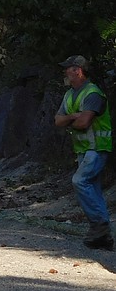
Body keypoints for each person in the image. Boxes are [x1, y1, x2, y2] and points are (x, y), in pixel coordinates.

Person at [54, 55, 113, 249]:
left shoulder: (93, 93)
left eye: (68, 69)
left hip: (97, 148)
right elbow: (58, 121)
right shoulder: (70, 94)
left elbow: (83, 122)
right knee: (92, 188)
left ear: (78, 70)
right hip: (84, 149)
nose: (65, 72)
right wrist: (73, 116)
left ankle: (100, 226)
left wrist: (71, 119)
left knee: (80, 181)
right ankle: (102, 237)